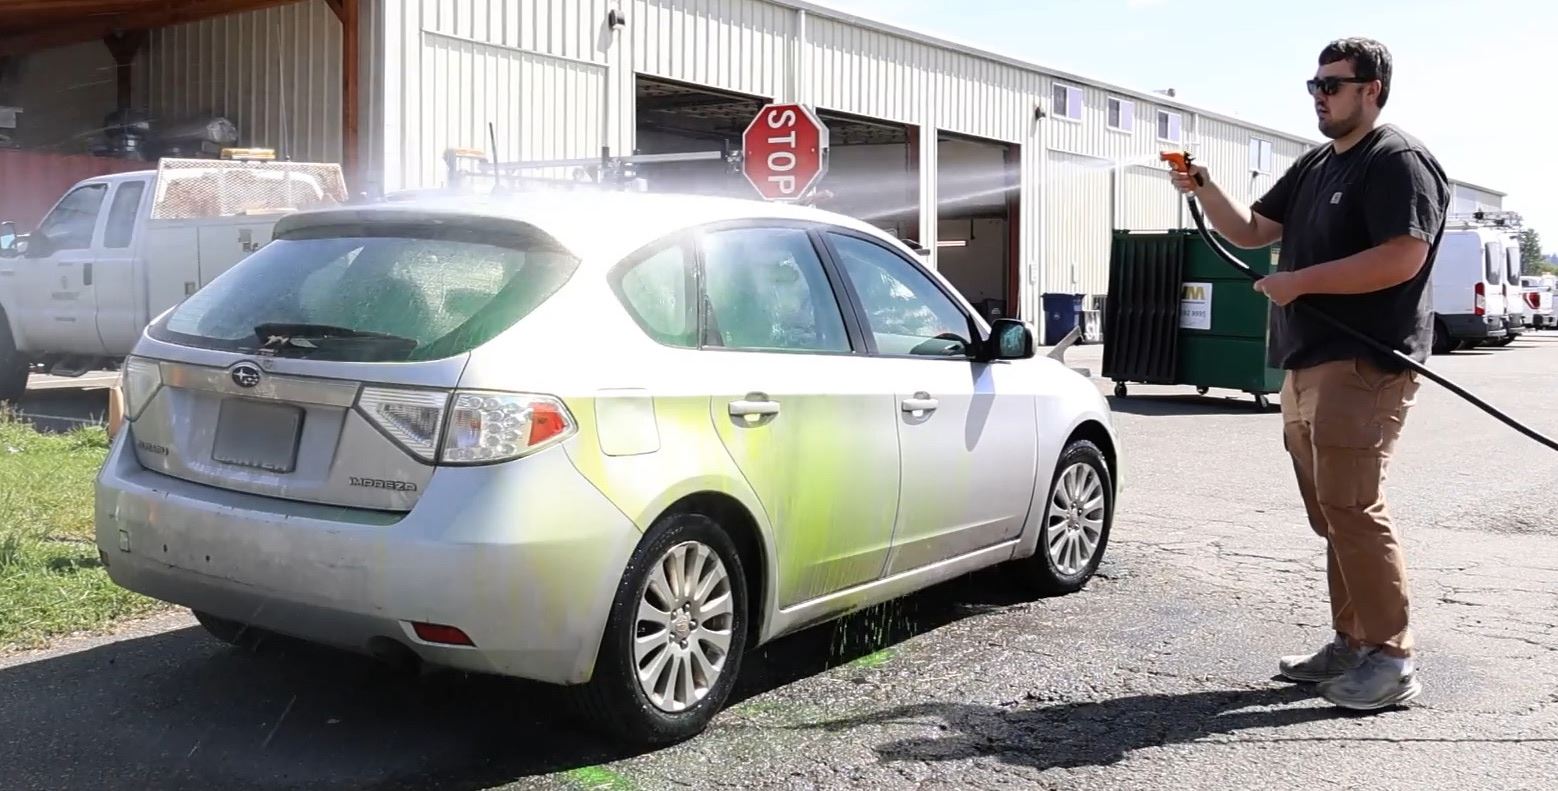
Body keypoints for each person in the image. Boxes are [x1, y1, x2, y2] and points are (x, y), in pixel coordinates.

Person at [1170, 37, 1451, 710]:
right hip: (1306, 361)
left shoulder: (1397, 162)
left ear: (1372, 89)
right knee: (1333, 513)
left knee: (1353, 505)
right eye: (1314, 85)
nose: (1320, 95)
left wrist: (1299, 283)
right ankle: (1352, 641)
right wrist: (1203, 188)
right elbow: (1249, 230)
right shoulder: (1316, 165)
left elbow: (1402, 258)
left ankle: (1391, 657)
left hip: (1364, 360)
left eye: (1333, 84)